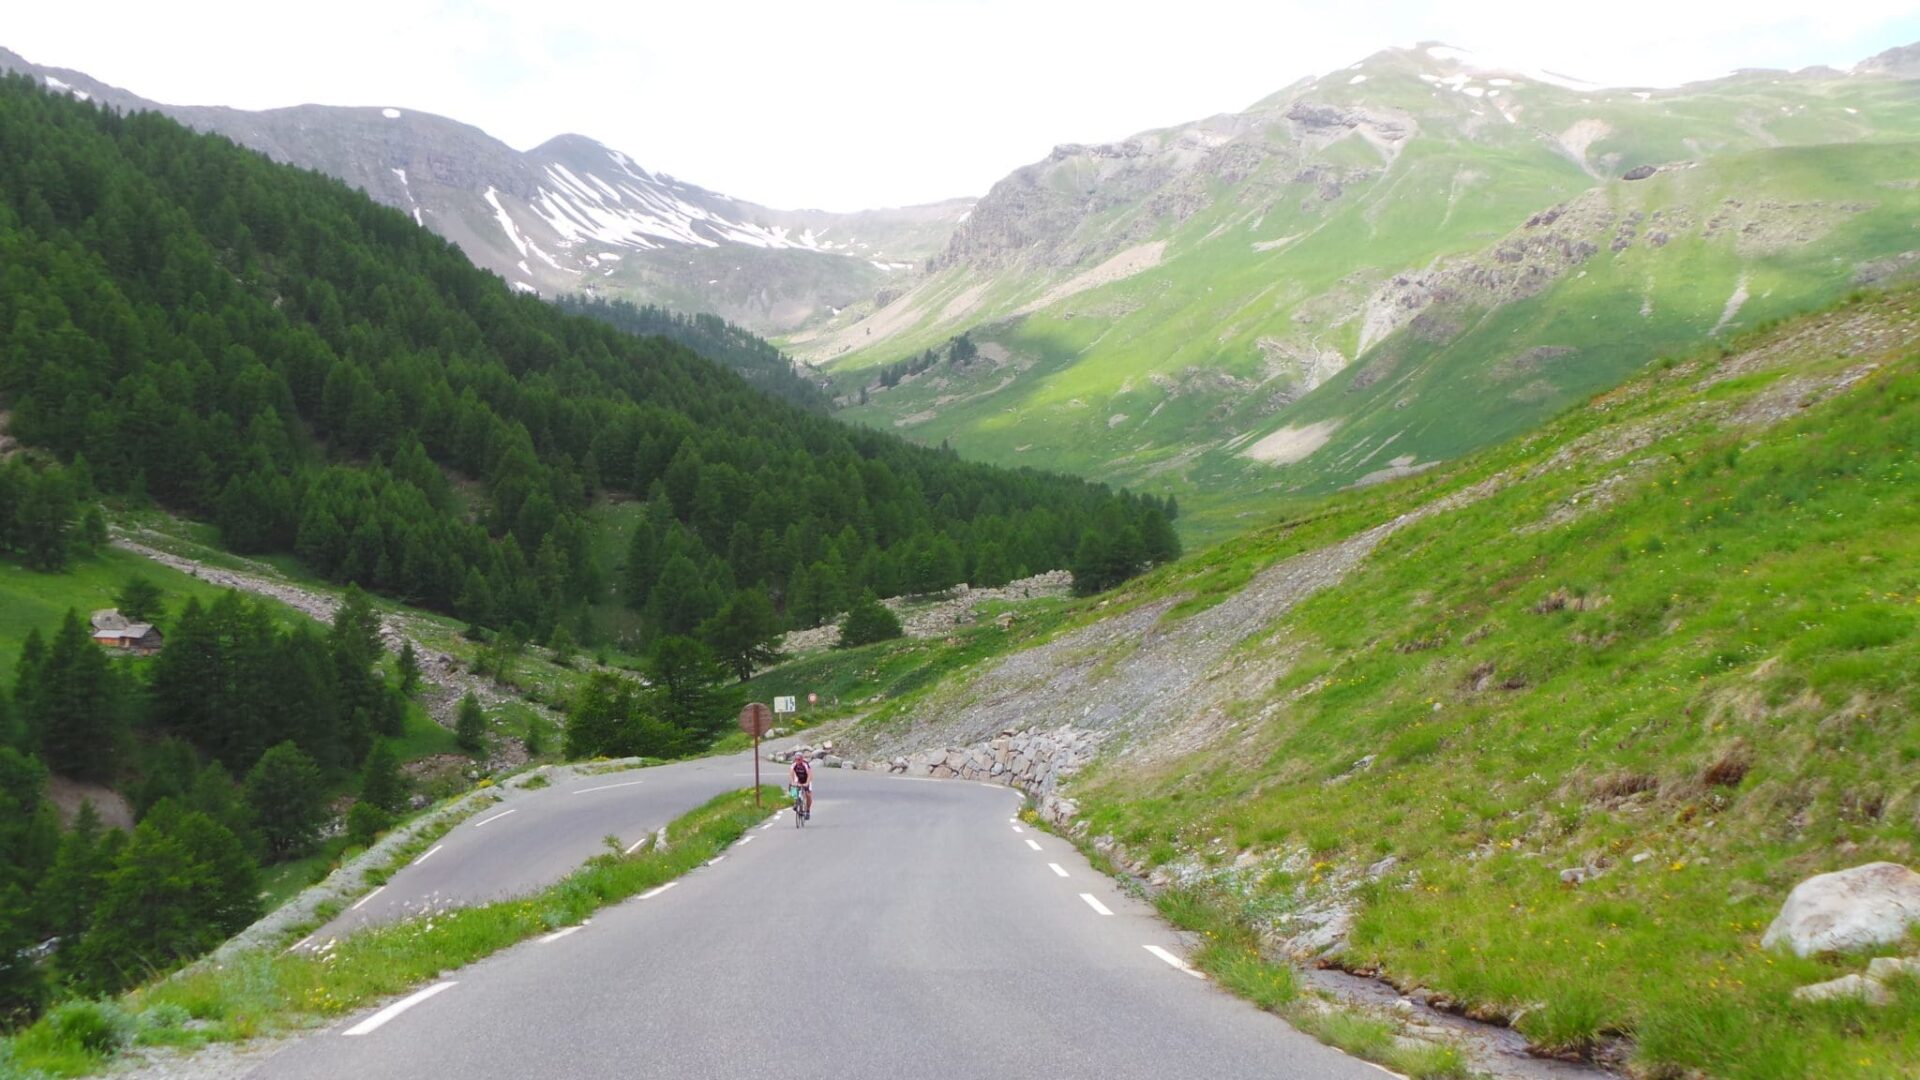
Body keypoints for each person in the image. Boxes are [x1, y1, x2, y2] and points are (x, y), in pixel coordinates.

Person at [788, 750, 813, 819]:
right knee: (793, 788)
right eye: (796, 759)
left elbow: (810, 775)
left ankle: (807, 810)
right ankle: (796, 802)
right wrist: (792, 782)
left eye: (799, 759)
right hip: (798, 779)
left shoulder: (805, 764)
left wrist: (807, 783)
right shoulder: (794, 765)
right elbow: (791, 774)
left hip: (806, 779)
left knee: (808, 795)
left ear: (802, 759)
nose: (797, 761)